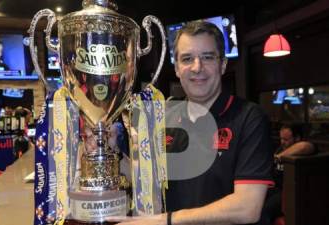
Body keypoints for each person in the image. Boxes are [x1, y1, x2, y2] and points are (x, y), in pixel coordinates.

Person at [115, 21, 274, 225]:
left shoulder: (250, 117)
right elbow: (145, 178)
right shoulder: (165, 118)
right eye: (187, 58)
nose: (197, 67)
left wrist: (166, 220)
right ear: (178, 69)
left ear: (223, 64)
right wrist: (110, 150)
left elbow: (247, 207)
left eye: (207, 57)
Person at [263, 123, 317, 223]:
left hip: (288, 193)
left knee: (264, 210)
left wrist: (278, 157)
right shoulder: (280, 148)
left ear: (297, 138)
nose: (282, 142)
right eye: (281, 139)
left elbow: (305, 146)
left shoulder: (305, 149)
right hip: (273, 188)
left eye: (286, 139)